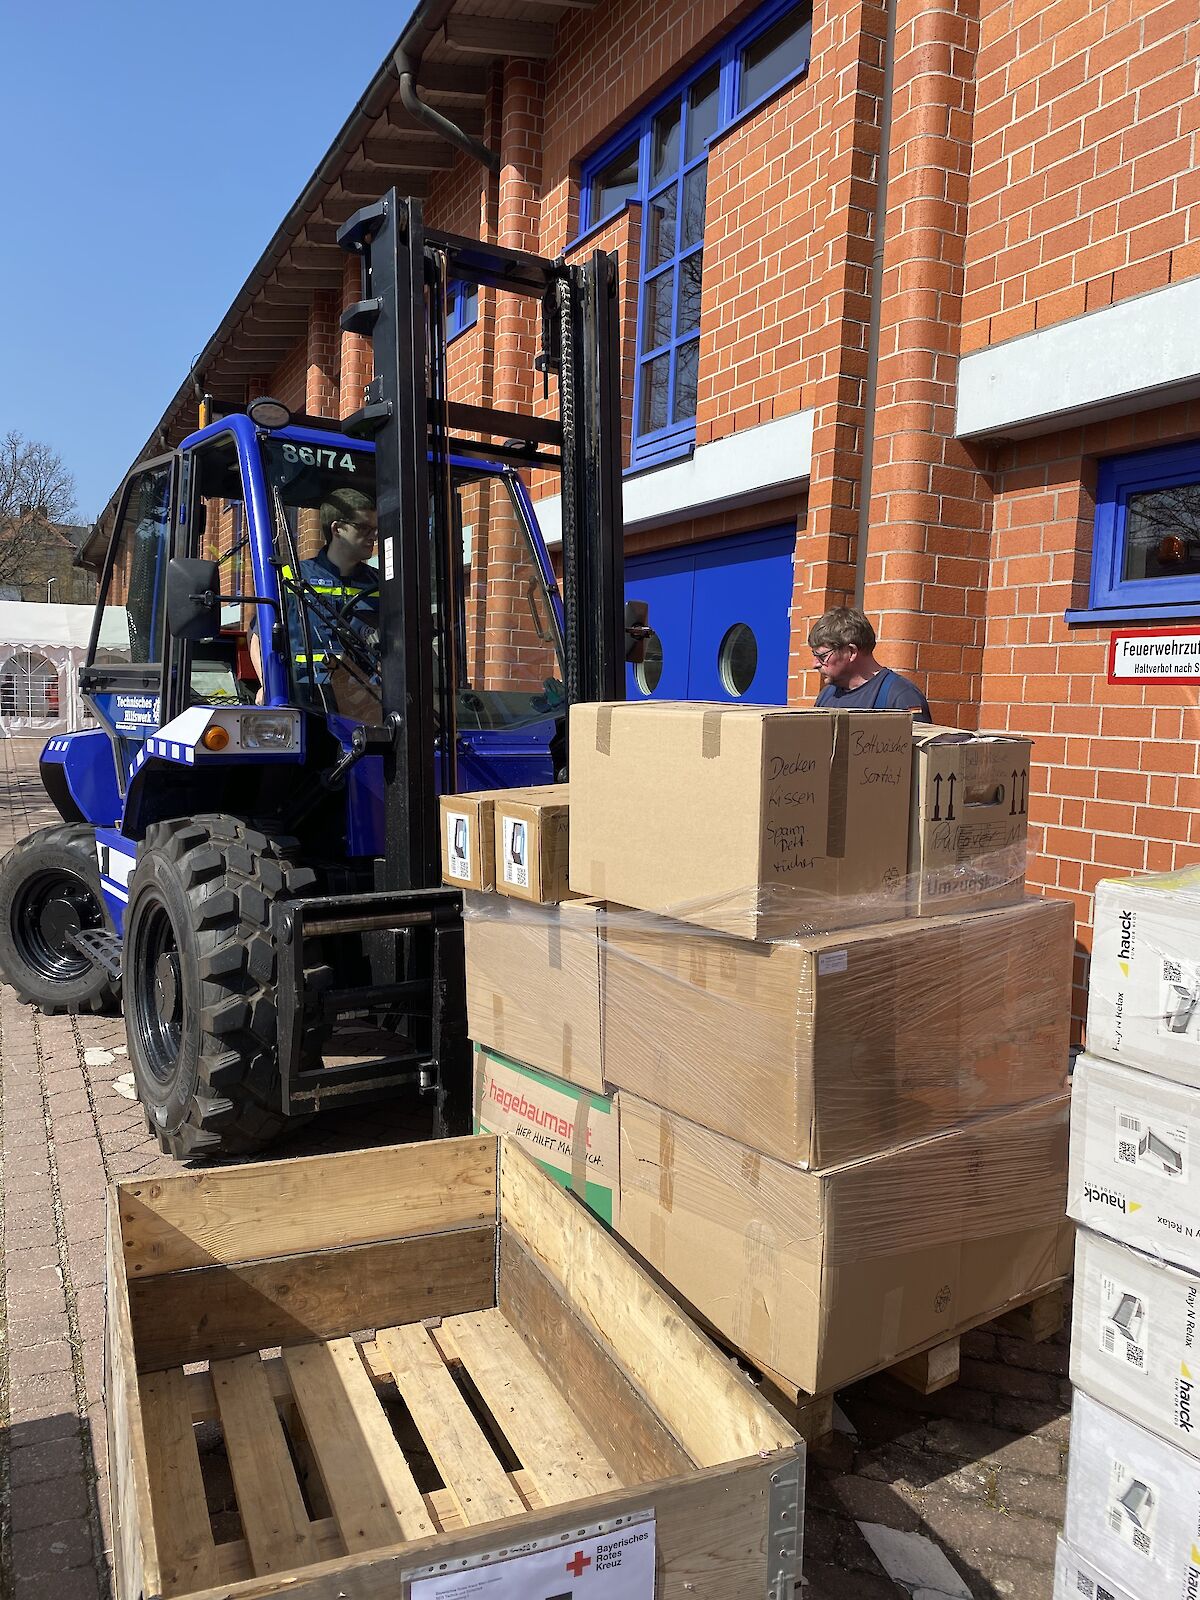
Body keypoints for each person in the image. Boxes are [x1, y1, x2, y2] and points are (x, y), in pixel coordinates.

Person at [809, 606, 932, 720]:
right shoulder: (826, 696)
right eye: (815, 655)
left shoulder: (900, 697)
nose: (815, 664)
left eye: (822, 656)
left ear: (851, 652)